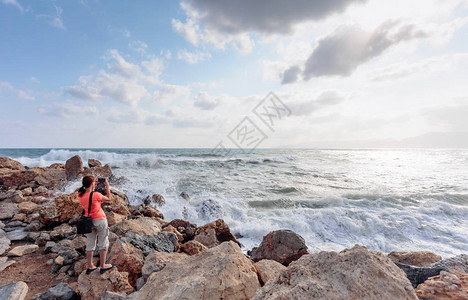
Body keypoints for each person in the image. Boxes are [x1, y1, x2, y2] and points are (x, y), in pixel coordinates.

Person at [77, 175, 115, 274]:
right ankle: (103, 265)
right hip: (100, 220)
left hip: (88, 222)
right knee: (103, 241)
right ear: (92, 184)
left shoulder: (80, 195)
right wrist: (107, 185)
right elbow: (108, 198)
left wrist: (93, 185)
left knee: (90, 243)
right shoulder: (96, 195)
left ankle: (90, 266)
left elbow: (87, 193)